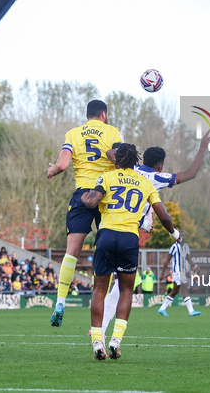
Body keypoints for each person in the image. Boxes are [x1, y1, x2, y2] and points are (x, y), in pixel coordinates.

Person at [82, 143, 180, 361]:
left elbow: (91, 201)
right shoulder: (145, 183)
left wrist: (84, 198)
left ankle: (97, 341)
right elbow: (163, 216)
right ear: (135, 160)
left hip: (106, 235)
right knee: (126, 290)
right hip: (129, 238)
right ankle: (116, 340)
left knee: (100, 288)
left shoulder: (107, 177)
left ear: (117, 160)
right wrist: (174, 234)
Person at [46, 100, 124, 327]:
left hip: (82, 194)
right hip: (106, 195)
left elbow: (61, 165)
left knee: (72, 252)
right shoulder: (112, 132)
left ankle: (60, 301)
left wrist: (52, 170)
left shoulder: (73, 134)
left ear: (87, 114)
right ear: (104, 114)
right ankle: (106, 303)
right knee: (107, 249)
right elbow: (119, 159)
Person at [157, 231, 201, 317]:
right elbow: (167, 260)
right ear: (177, 237)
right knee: (185, 288)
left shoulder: (186, 246)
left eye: (184, 235)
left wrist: (196, 266)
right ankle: (191, 310)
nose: (182, 237)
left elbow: (189, 259)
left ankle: (162, 308)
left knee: (175, 291)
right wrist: (162, 273)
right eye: (180, 235)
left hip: (182, 271)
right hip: (177, 271)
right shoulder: (174, 246)